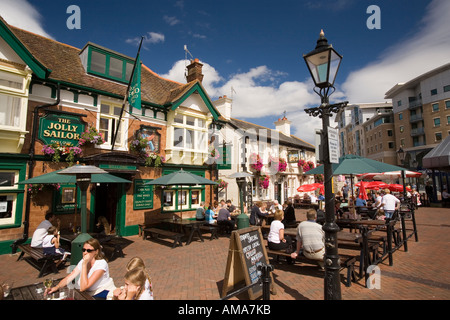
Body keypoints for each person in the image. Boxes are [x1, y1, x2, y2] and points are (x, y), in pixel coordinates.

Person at [46, 238, 116, 299]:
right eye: (84, 250)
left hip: (102, 293)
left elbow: (83, 287)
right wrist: (57, 287)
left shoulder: (101, 264)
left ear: (96, 252)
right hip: (88, 294)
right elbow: (70, 276)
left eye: (89, 250)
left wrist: (84, 265)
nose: (85, 253)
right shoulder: (83, 261)